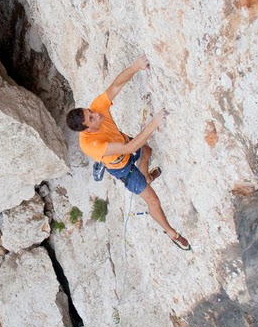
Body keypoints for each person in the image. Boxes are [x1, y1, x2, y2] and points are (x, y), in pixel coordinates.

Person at [66, 55, 191, 250]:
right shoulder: (91, 144)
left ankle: (146, 177)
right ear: (86, 129)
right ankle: (172, 234)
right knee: (153, 200)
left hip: (124, 145)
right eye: (91, 118)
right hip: (122, 168)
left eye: (90, 111)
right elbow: (129, 149)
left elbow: (116, 85)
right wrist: (154, 123)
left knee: (147, 151)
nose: (97, 114)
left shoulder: (97, 109)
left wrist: (134, 67)